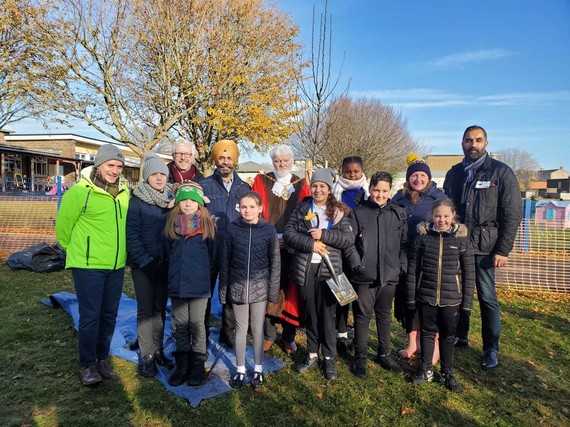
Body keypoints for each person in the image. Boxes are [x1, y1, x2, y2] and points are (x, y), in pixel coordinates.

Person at [443, 125, 522, 370]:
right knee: (457, 295)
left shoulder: (501, 173)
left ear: (486, 143)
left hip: (486, 248)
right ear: (462, 143)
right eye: (468, 140)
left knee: (487, 298)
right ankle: (459, 335)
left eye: (478, 140)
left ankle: (491, 349)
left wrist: (503, 249)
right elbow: (446, 207)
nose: (473, 144)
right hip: (457, 245)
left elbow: (512, 213)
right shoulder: (454, 173)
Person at [55, 144, 130, 386]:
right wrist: (78, 252)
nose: (115, 170)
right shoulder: (79, 192)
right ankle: (87, 365)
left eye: (119, 166)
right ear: (99, 165)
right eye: (111, 165)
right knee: (90, 316)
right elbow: (63, 227)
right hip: (88, 265)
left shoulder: (125, 192)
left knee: (109, 315)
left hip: (116, 264)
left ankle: (102, 359)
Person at [284, 168, 353, 380]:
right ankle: (313, 354)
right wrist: (310, 244)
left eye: (322, 186)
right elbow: (289, 234)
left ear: (329, 188)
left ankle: (329, 359)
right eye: (315, 185)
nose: (318, 189)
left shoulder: (340, 211)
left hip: (329, 271)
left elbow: (348, 240)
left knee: (328, 317)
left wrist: (325, 235)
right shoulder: (303, 208)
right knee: (312, 315)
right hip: (307, 269)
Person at [407, 199, 475, 392]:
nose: (442, 220)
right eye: (438, 216)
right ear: (432, 216)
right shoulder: (422, 238)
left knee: (447, 335)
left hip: (451, 298)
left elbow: (469, 275)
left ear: (453, 215)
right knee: (427, 332)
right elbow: (413, 270)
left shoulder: (462, 241)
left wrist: (467, 304)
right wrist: (412, 297)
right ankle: (426, 368)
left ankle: (447, 372)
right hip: (426, 296)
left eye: (446, 216)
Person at [345, 172, 407, 378]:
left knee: (384, 314)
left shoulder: (398, 213)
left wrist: (400, 266)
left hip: (389, 274)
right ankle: (360, 356)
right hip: (364, 275)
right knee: (362, 316)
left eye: (384, 191)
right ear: (370, 189)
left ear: (390, 191)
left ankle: (384, 353)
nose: (380, 194)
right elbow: (350, 244)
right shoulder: (358, 213)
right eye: (376, 190)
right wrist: (357, 265)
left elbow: (404, 244)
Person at [251, 144, 310, 354]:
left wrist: (290, 237)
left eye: (285, 160)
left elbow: (307, 216)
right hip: (268, 244)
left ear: (292, 161)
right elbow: (255, 210)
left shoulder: (302, 183)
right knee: (267, 290)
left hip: (293, 247)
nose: (282, 164)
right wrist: (271, 236)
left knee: (291, 291)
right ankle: (268, 334)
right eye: (277, 161)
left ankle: (288, 336)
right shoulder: (262, 180)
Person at [219, 192, 281, 389]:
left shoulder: (269, 230)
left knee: (257, 329)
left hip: (260, 289)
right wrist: (224, 291)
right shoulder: (232, 229)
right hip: (237, 289)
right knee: (240, 329)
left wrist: (272, 292)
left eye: (252, 207)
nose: (247, 210)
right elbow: (225, 262)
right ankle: (240, 369)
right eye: (243, 207)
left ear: (260, 208)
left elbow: (275, 263)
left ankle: (258, 368)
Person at [392, 154, 446, 362]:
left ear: (429, 177)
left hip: (429, 257)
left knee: (430, 302)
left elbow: (448, 221)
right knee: (408, 301)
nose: (418, 179)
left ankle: (433, 346)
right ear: (408, 178)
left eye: (423, 175)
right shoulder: (399, 197)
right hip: (405, 257)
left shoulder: (439, 197)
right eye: (414, 175)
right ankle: (412, 343)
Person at [126, 152, 175, 377]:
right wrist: (145, 262)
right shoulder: (137, 201)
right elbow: (132, 236)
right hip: (143, 265)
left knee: (160, 309)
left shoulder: (170, 201)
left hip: (164, 263)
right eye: (154, 174)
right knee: (146, 311)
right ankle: (146, 355)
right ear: (146, 177)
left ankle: (158, 350)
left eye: (162, 174)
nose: (158, 178)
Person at [199, 139, 251, 348]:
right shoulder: (204, 186)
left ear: (235, 161)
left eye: (229, 158)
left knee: (231, 292)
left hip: (234, 249)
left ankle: (227, 332)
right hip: (209, 248)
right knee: (206, 291)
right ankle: (201, 330)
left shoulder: (244, 187)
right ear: (216, 159)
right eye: (221, 157)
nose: (225, 162)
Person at [164, 181, 216, 386]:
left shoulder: (207, 227)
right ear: (177, 203)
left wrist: (205, 277)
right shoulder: (171, 226)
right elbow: (167, 254)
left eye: (192, 201)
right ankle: (182, 364)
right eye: (183, 200)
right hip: (177, 284)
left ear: (199, 204)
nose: (187, 204)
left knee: (197, 324)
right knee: (180, 326)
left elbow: (214, 257)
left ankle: (197, 365)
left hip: (199, 285)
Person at [331, 156, 369, 355]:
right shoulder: (336, 192)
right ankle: (341, 333)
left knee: (360, 295)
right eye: (348, 172)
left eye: (356, 171)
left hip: (362, 249)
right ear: (342, 171)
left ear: (362, 172)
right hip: (340, 248)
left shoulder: (368, 192)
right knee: (343, 292)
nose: (352, 175)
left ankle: (359, 335)